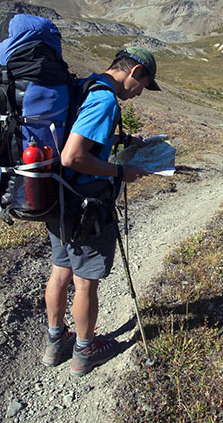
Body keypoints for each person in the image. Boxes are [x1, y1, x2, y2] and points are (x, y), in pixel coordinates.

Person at [41, 46, 160, 377]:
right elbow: (73, 155)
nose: (139, 94)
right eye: (143, 85)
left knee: (60, 271)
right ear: (134, 72)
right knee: (85, 282)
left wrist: (124, 139)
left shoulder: (88, 85)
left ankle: (56, 342)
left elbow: (79, 132)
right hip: (85, 205)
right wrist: (121, 172)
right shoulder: (106, 99)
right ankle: (85, 348)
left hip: (59, 200)